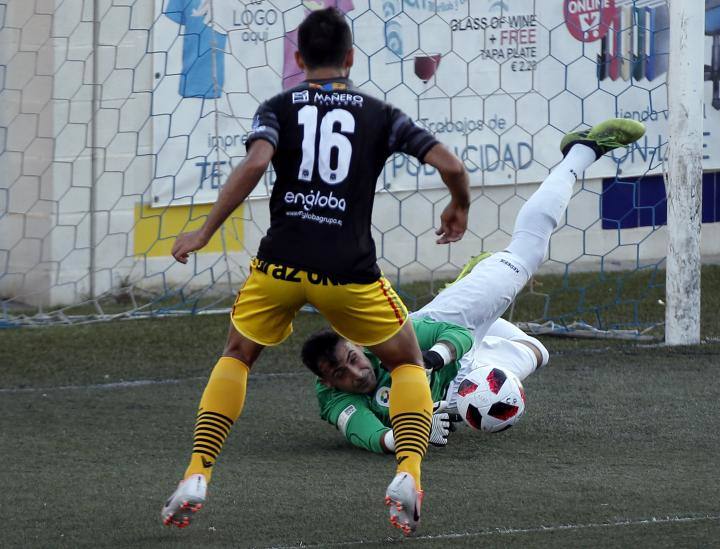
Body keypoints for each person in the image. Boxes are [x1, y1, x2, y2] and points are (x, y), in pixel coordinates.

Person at [160, 7, 471, 533]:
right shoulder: (379, 114)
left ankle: (197, 472)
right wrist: (458, 204)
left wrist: (204, 232)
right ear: (350, 57)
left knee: (237, 355)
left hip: (280, 262)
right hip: (347, 272)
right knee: (407, 362)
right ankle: (408, 473)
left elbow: (257, 164)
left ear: (299, 58)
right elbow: (451, 164)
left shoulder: (278, 106)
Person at [301, 119, 646, 531]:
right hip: (460, 371)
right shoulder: (332, 401)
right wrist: (407, 436)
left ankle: (583, 150)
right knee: (537, 352)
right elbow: (362, 431)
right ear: (328, 382)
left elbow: (458, 335)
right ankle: (478, 297)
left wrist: (430, 359)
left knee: (526, 254)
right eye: (340, 374)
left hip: (452, 322)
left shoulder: (387, 338)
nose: (355, 373)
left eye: (353, 359)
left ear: (356, 345)